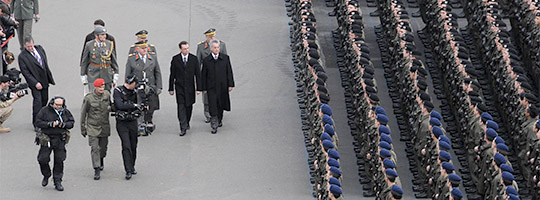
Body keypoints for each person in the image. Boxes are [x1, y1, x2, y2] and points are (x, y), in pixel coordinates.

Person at [35, 96, 74, 191]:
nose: (59, 107)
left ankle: (57, 180)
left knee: (59, 159)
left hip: (60, 138)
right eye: (57, 105)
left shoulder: (65, 112)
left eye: (61, 105)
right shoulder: (44, 111)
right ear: (52, 103)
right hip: (47, 138)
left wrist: (64, 124)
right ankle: (46, 174)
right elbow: (38, 122)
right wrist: (49, 124)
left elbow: (71, 122)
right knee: (42, 159)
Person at [18, 36, 54, 132]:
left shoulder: (40, 48)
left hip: (44, 80)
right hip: (35, 82)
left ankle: (43, 119)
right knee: (38, 102)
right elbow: (25, 72)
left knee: (45, 100)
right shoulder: (22, 57)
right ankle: (36, 123)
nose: (30, 48)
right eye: (28, 47)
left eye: (31, 46)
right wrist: (35, 83)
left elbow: (44, 63)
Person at [125, 40, 162, 134]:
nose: (145, 50)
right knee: (139, 105)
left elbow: (157, 72)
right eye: (142, 48)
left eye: (146, 48)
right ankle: (140, 124)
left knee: (151, 105)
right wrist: (127, 87)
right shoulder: (132, 59)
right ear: (137, 49)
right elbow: (128, 74)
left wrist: (159, 86)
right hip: (137, 87)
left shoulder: (152, 57)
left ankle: (149, 120)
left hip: (150, 86)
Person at [200, 39, 234, 134]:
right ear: (211, 49)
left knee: (221, 104)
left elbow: (229, 72)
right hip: (211, 87)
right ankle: (214, 124)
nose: (216, 49)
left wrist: (230, 84)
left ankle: (219, 119)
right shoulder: (207, 61)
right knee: (213, 105)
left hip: (222, 86)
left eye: (218, 47)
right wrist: (204, 88)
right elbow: (204, 75)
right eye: (214, 47)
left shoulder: (225, 58)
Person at [80, 78, 112, 180]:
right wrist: (83, 128)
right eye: (100, 87)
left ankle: (101, 159)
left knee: (103, 148)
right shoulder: (89, 98)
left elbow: (111, 106)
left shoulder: (107, 95)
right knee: (95, 148)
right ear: (95, 87)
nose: (102, 88)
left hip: (104, 126)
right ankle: (96, 169)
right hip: (92, 126)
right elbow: (83, 113)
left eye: (103, 86)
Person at [168, 41, 201, 136]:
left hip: (190, 88)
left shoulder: (194, 59)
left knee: (189, 107)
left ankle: (187, 121)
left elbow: (197, 75)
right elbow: (172, 74)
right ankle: (183, 127)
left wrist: (199, 88)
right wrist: (171, 88)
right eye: (184, 49)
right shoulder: (175, 59)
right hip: (180, 88)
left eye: (187, 48)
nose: (186, 50)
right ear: (180, 49)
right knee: (181, 107)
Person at [113, 74, 142, 180]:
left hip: (132, 121)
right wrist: (133, 105)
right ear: (132, 83)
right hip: (122, 122)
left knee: (133, 145)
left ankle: (132, 165)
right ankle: (128, 170)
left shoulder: (135, 92)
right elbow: (120, 105)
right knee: (126, 146)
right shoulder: (118, 91)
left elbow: (141, 104)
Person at [196, 28, 227, 123]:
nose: (213, 38)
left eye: (214, 36)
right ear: (206, 37)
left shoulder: (221, 45)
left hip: (218, 76)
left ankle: (218, 114)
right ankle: (207, 113)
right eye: (210, 36)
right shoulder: (201, 47)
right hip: (207, 75)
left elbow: (225, 61)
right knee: (206, 97)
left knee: (219, 96)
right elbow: (198, 62)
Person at [80, 25, 118, 92]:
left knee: (106, 94)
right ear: (96, 36)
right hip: (93, 73)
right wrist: (83, 75)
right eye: (102, 35)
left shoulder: (109, 44)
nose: (104, 36)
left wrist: (116, 73)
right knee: (93, 94)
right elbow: (84, 60)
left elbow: (114, 60)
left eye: (105, 34)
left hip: (106, 73)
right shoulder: (89, 45)